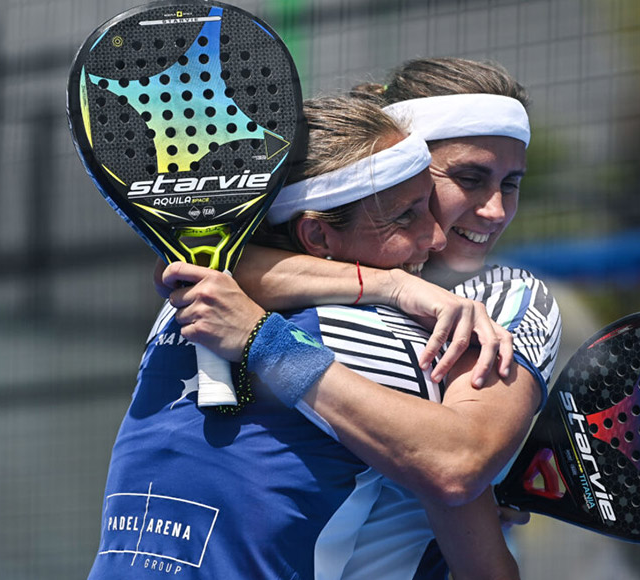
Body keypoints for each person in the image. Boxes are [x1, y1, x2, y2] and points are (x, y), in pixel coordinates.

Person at [88, 96, 518, 580]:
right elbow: (457, 469)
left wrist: (390, 283)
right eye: (406, 216)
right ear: (317, 237)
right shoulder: (386, 335)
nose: (436, 238)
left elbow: (184, 268)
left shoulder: (178, 307)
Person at [164, 58, 562, 576]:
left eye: (511, 184)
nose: (495, 211)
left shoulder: (509, 297)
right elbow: (182, 265)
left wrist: (265, 342)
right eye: (469, 178)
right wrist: (392, 285)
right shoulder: (263, 284)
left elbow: (456, 466)